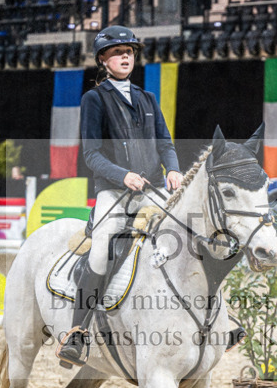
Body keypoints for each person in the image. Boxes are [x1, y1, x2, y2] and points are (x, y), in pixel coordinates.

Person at [56, 26, 184, 367]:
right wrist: (122, 175)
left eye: (129, 51)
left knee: (186, 234)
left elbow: (165, 144)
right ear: (103, 60)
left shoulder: (148, 99)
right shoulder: (94, 99)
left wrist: (172, 169)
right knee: (100, 252)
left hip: (151, 190)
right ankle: (77, 333)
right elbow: (92, 155)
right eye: (117, 52)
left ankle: (214, 316)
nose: (125, 56)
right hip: (113, 191)